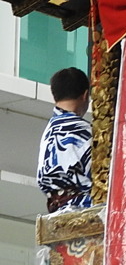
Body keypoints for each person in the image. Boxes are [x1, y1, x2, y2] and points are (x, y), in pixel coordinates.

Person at [37, 67, 92, 213]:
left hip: (55, 214)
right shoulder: (85, 130)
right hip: (83, 211)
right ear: (85, 95)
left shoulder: (48, 131)